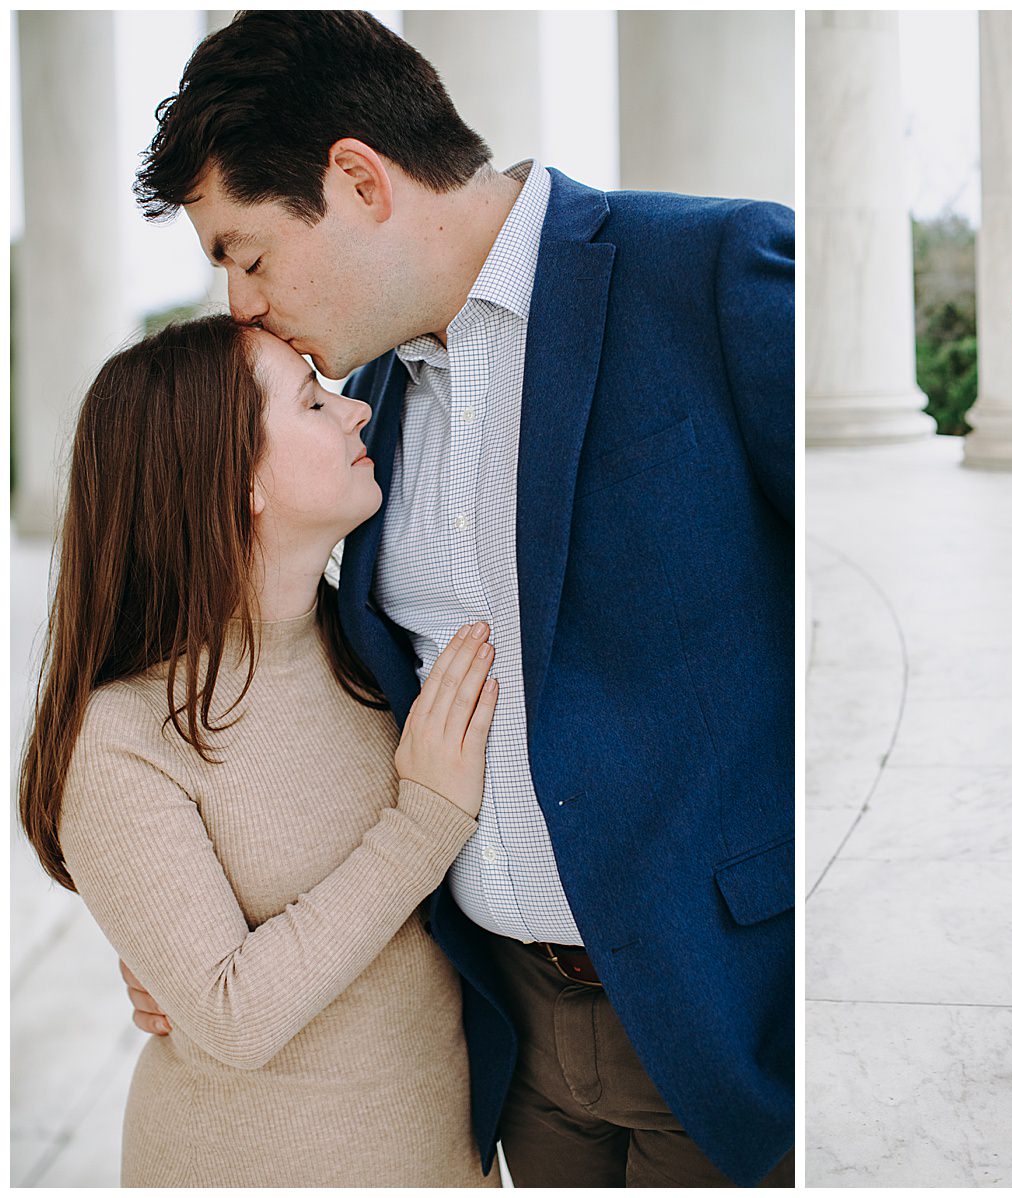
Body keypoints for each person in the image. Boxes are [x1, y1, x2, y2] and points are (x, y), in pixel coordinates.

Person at [120, 11, 794, 1187]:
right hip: (510, 1045)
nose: (239, 302)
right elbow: (333, 709)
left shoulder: (715, 269)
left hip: (726, 1016)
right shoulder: (363, 409)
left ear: (358, 179)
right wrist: (182, 939)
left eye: (247, 252)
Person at [19, 316, 500, 1185]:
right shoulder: (120, 738)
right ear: (237, 478)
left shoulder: (380, 647)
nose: (357, 413)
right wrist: (422, 823)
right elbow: (234, 1016)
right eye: (313, 402)